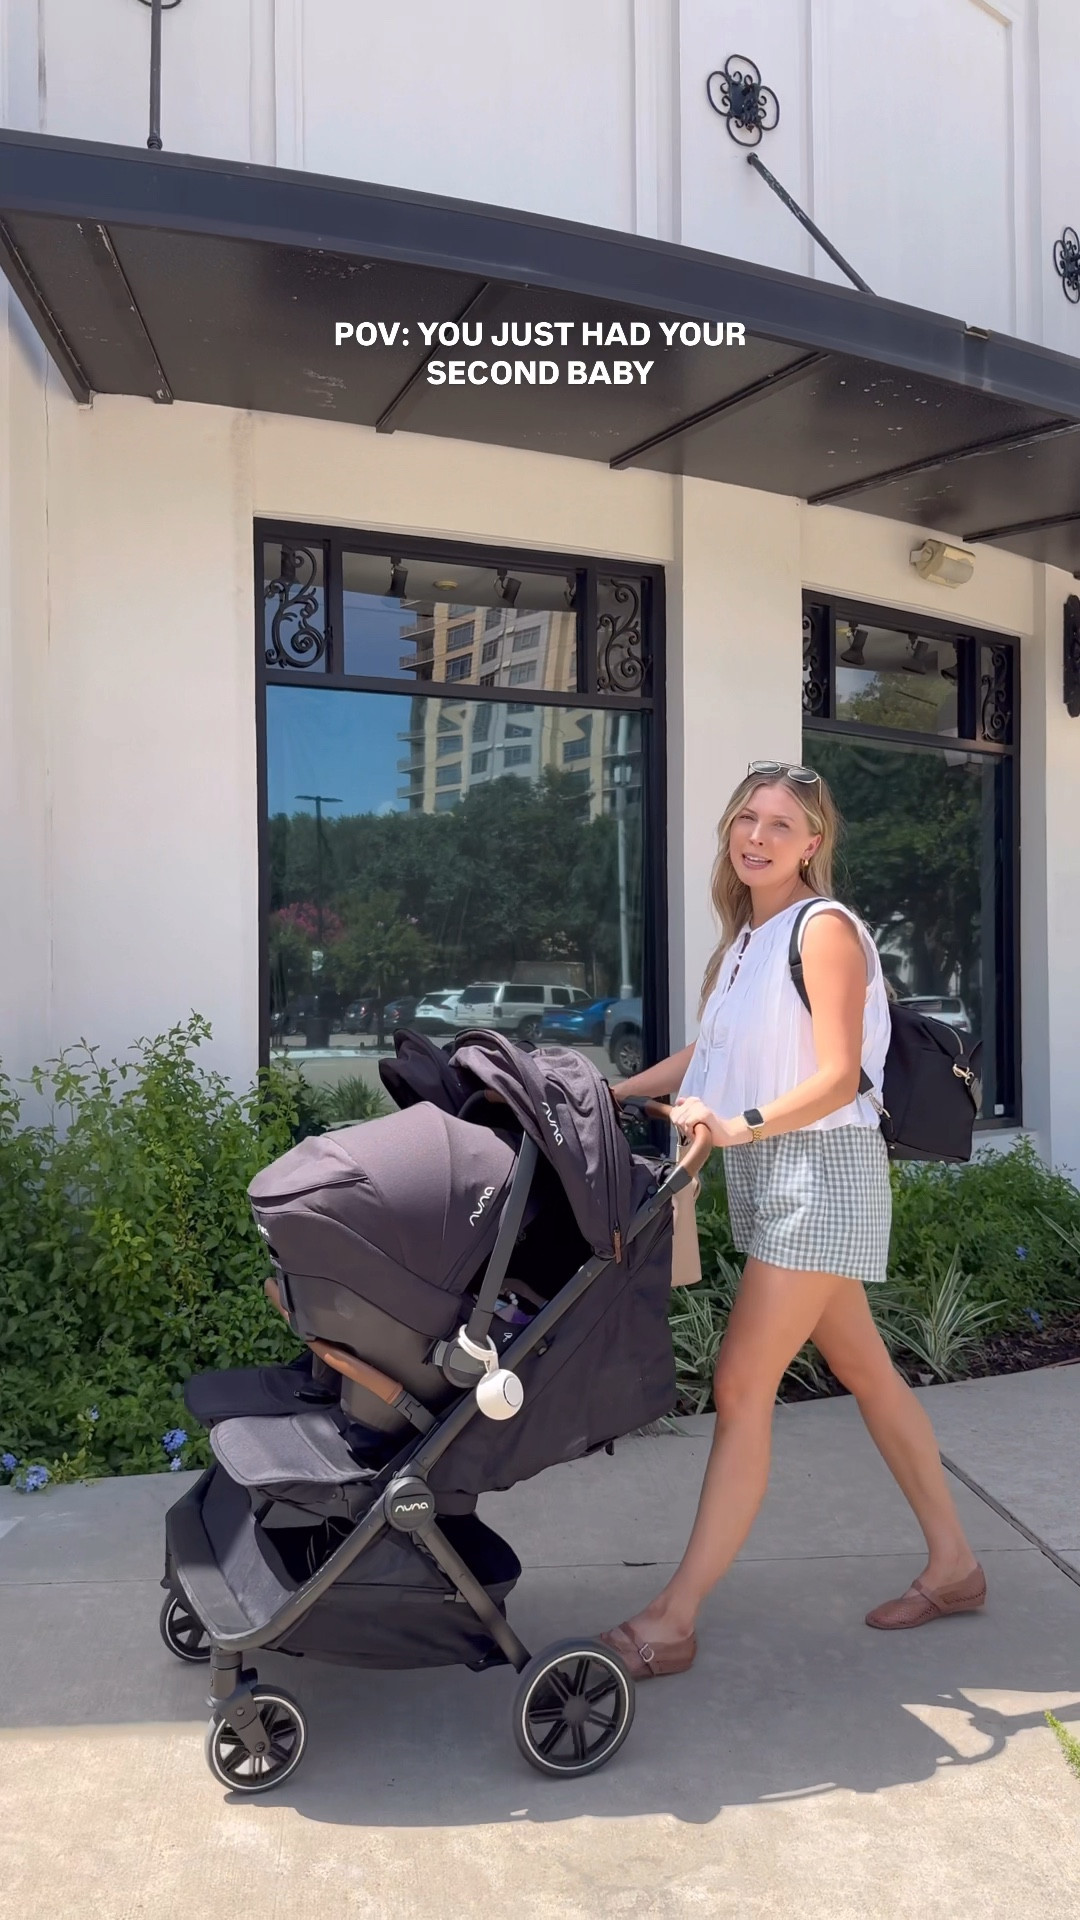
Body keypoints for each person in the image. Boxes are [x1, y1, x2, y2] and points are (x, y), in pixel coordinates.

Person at [600, 760, 985, 1681]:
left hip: (822, 1169)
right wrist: (611, 1089)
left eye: (781, 824)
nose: (758, 836)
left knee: (740, 1387)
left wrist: (739, 1125)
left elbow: (840, 1074)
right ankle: (957, 1566)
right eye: (747, 819)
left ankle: (673, 1616)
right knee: (869, 1374)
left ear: (814, 843)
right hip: (772, 1168)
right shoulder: (746, 941)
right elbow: (714, 1049)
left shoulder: (825, 929)